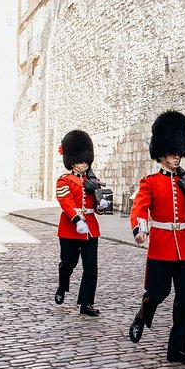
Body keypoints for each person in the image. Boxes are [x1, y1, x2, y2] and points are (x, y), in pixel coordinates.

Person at [127, 110, 185, 367]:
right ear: (161, 154)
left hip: (184, 250)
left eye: (179, 152)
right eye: (171, 152)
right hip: (160, 248)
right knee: (157, 294)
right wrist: (140, 230)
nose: (176, 156)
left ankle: (177, 350)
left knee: (183, 302)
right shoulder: (150, 182)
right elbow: (139, 209)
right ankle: (141, 315)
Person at [54, 130, 110, 316]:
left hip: (90, 230)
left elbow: (96, 207)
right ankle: (62, 286)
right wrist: (77, 219)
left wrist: (101, 205)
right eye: (80, 160)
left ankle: (86, 303)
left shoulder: (93, 181)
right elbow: (66, 203)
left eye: (86, 160)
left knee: (91, 267)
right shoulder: (64, 181)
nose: (84, 163)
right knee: (68, 263)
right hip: (71, 228)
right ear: (71, 161)